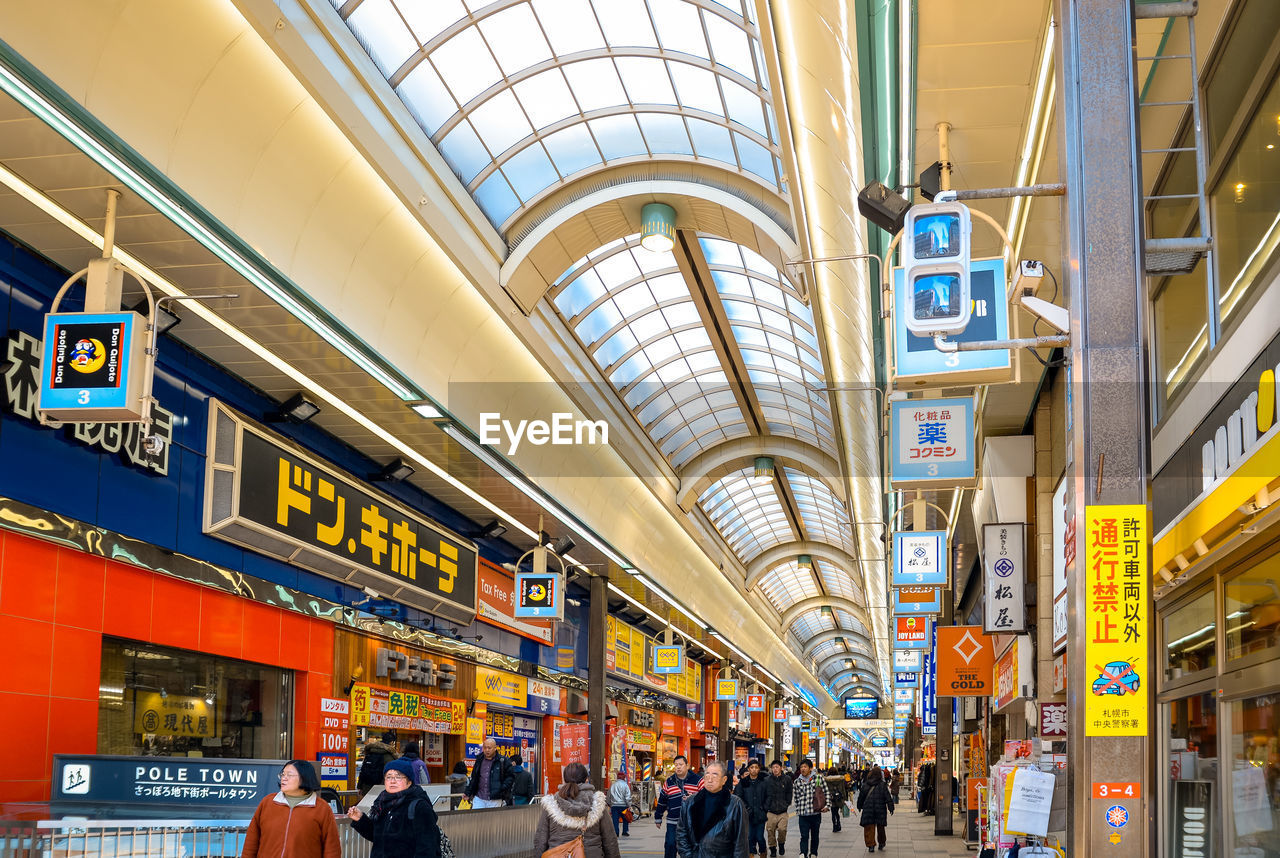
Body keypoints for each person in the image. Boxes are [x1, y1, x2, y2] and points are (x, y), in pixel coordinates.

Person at [242, 760, 340, 858]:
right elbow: (251, 841)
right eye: (283, 774)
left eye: (289, 775)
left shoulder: (321, 808)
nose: (284, 778)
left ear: (304, 778)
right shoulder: (268, 802)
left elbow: (332, 848)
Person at [347, 759, 441, 858]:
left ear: (409, 782)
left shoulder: (419, 806)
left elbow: (427, 848)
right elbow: (378, 836)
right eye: (388, 777)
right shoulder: (382, 803)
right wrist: (361, 819)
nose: (392, 781)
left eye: (398, 777)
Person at [533, 761, 620, 858]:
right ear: (586, 779)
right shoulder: (597, 803)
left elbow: (540, 839)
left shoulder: (552, 803)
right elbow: (610, 840)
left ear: (564, 779)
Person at [676, 761, 748, 858]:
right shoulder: (690, 802)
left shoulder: (735, 804)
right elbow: (681, 832)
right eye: (707, 775)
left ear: (724, 780)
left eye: (715, 776)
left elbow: (741, 841)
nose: (710, 780)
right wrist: (688, 855)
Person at [655, 754, 703, 858]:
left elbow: (706, 797)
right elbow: (662, 800)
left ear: (687, 766)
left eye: (681, 764)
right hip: (673, 821)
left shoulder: (698, 780)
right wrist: (658, 817)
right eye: (676, 765)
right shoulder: (669, 781)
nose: (678, 767)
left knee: (690, 847)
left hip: (692, 822)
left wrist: (694, 798)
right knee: (670, 845)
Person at [464, 737, 514, 808]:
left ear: (495, 748)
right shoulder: (479, 760)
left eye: (489, 748)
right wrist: (468, 793)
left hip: (495, 799)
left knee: (492, 819)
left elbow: (510, 777)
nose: (487, 750)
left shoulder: (503, 761)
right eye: (485, 748)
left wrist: (502, 788)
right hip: (479, 798)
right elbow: (474, 778)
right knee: (477, 818)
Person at [733, 759, 768, 858]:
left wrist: (764, 808)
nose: (754, 770)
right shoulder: (743, 782)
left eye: (756, 767)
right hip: (747, 815)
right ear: (748, 769)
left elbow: (768, 796)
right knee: (749, 837)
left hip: (760, 814)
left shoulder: (763, 782)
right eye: (752, 767)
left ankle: (763, 851)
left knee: (760, 836)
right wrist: (746, 808)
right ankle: (751, 853)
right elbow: (738, 797)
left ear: (759, 769)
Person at [791, 759, 826, 858]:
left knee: (815, 836)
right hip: (803, 814)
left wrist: (827, 806)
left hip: (815, 813)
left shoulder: (818, 779)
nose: (803, 769)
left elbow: (826, 793)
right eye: (801, 767)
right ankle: (803, 853)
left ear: (810, 768)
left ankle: (814, 853)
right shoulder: (797, 782)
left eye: (805, 767)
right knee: (804, 836)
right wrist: (798, 809)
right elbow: (796, 797)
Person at [855, 766, 894, 853]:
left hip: (868, 808)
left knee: (869, 827)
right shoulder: (883, 785)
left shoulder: (866, 784)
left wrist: (859, 806)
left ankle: (871, 845)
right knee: (881, 827)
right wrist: (891, 807)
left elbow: (861, 797)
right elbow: (888, 797)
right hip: (880, 808)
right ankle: (881, 843)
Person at [763, 759, 793, 858]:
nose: (775, 769)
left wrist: (787, 803)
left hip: (782, 810)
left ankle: (781, 844)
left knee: (782, 829)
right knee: (770, 830)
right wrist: (766, 806)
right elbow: (764, 794)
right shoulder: (767, 780)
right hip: (771, 811)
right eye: (773, 767)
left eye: (777, 767)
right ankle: (772, 848)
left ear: (781, 768)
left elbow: (789, 792)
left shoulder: (787, 779)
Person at [609, 769, 633, 836]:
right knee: (626, 818)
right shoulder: (625, 785)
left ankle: (616, 832)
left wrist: (609, 803)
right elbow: (627, 796)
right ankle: (625, 831)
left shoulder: (612, 785)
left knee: (615, 820)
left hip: (614, 806)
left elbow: (609, 795)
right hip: (623, 806)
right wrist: (629, 805)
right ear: (624, 777)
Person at [823, 767, 846, 833]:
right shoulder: (840, 779)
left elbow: (825, 790)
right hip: (839, 797)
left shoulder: (827, 780)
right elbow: (843, 789)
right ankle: (838, 824)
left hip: (831, 797)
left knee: (833, 813)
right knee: (837, 812)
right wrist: (845, 798)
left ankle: (834, 826)